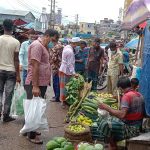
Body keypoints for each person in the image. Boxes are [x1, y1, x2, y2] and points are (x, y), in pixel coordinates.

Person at [24, 29, 59, 144]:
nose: (53, 43)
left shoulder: (43, 46)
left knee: (35, 107)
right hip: (35, 83)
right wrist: (35, 86)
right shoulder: (37, 46)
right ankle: (31, 135)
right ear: (47, 36)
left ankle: (29, 129)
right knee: (34, 108)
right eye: (53, 40)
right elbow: (35, 66)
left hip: (41, 83)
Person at [99, 77, 144, 150]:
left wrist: (106, 107)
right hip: (138, 126)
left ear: (120, 88)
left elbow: (122, 115)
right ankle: (115, 143)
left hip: (131, 129)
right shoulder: (139, 95)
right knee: (110, 120)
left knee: (104, 124)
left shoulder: (126, 96)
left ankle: (113, 146)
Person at [0, 19, 20, 122]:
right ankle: (6, 115)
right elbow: (16, 60)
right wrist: (18, 75)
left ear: (3, 27)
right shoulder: (16, 42)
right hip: (11, 71)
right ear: (12, 28)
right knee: (8, 95)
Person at [59, 37, 80, 108]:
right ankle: (63, 102)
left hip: (63, 69)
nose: (77, 46)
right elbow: (69, 64)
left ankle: (64, 101)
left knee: (64, 86)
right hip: (66, 71)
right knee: (65, 87)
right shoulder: (70, 51)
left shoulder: (67, 47)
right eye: (77, 44)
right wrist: (74, 73)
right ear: (74, 43)